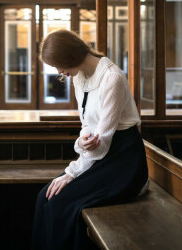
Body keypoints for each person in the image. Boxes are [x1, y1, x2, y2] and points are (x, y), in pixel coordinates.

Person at [32, 29, 149, 249]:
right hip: (99, 155)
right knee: (44, 198)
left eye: (59, 64)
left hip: (124, 161)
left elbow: (102, 141)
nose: (59, 71)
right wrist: (81, 143)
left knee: (58, 204)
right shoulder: (79, 77)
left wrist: (71, 173)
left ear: (71, 56)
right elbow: (87, 125)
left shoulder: (112, 77)